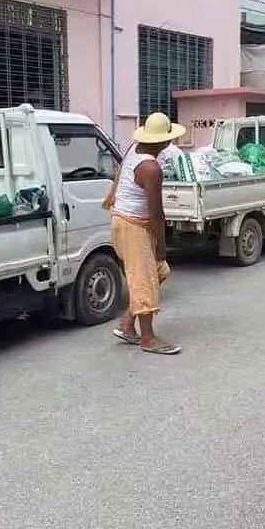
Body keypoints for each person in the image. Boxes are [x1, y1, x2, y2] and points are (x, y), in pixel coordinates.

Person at [102, 112, 185, 356]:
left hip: (126, 221)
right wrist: (161, 246)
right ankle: (148, 338)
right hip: (133, 225)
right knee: (145, 279)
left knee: (159, 272)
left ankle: (128, 324)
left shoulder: (135, 149)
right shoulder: (151, 167)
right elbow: (157, 213)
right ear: (165, 141)